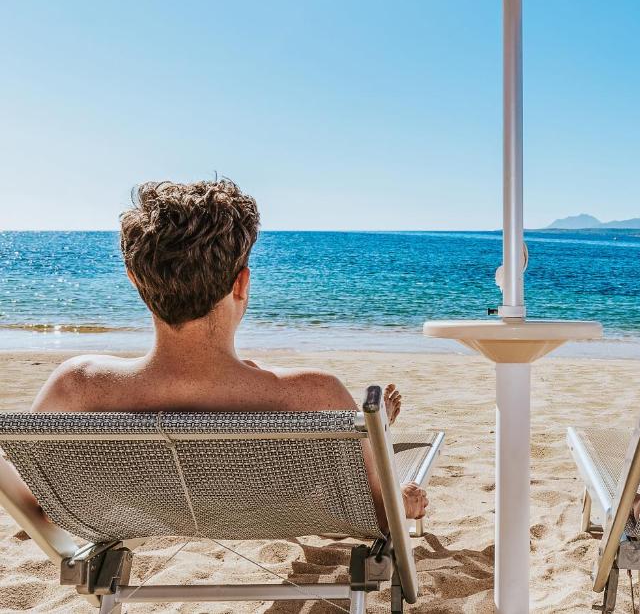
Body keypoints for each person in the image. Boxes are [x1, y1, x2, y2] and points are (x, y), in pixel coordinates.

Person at [29, 179, 427, 529]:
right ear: (241, 285)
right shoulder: (314, 394)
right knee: (354, 453)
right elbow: (372, 514)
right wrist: (402, 503)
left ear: (135, 281)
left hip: (154, 513)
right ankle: (374, 432)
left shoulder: (78, 385)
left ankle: (370, 434)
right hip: (286, 508)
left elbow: (44, 502)